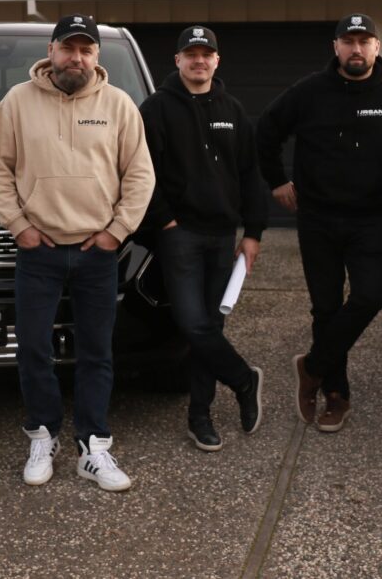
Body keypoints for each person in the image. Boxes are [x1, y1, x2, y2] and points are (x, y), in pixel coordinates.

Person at [0, 14, 154, 491]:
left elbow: (139, 175)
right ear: (51, 50)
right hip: (38, 251)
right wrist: (18, 226)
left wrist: (116, 231)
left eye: (86, 49)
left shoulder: (119, 105)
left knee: (97, 351)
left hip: (98, 252)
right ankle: (43, 435)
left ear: (97, 56)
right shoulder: (17, 102)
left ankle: (94, 445)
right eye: (67, 47)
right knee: (34, 348)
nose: (75, 57)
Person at [257, 13, 382, 431]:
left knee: (368, 299)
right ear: (336, 47)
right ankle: (336, 393)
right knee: (325, 308)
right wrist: (276, 182)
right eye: (349, 42)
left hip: (367, 219)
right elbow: (266, 131)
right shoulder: (309, 92)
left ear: (377, 48)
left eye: (365, 42)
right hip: (317, 218)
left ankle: (312, 365)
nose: (356, 49)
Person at [140, 25, 268, 451]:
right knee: (192, 323)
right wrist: (165, 222)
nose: (199, 60)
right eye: (190, 54)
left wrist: (252, 233)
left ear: (216, 60)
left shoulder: (232, 109)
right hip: (179, 234)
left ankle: (200, 415)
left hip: (221, 235)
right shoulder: (156, 109)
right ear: (177, 60)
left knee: (209, 326)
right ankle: (243, 379)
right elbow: (142, 171)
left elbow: (251, 176)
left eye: (206, 54)